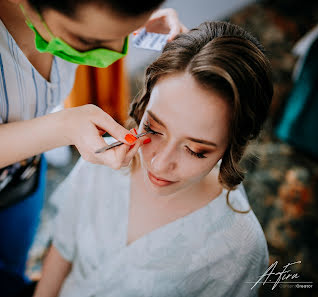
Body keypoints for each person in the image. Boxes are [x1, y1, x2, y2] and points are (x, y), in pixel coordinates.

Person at [0, 0, 187, 296]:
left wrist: (134, 22)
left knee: (14, 264)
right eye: (88, 41)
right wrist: (65, 126)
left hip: (23, 155)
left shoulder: (79, 17)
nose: (111, 52)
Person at [35, 21, 273, 297]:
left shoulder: (239, 247)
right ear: (145, 102)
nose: (159, 164)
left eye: (196, 150)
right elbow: (62, 249)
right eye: (153, 129)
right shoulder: (104, 159)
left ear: (232, 147)